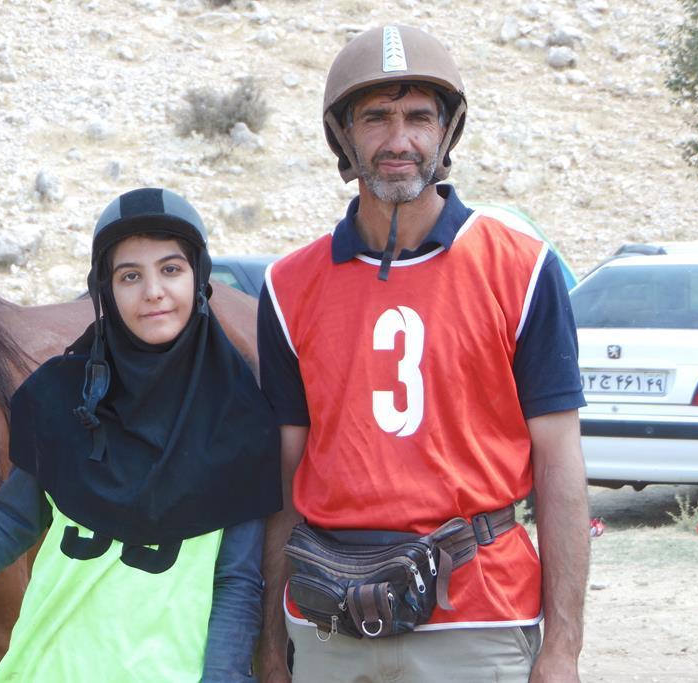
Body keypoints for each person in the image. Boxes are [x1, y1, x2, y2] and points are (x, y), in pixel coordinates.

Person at [256, 25, 590, 683]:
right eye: (375, 118)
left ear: (447, 131)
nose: (399, 140)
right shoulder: (288, 287)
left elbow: (560, 463)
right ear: (343, 135)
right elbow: (285, 480)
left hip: (481, 617)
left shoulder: (523, 270)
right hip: (329, 621)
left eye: (418, 117)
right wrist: (270, 642)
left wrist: (563, 648)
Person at [0, 187, 281, 682]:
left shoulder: (241, 419)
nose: (153, 291)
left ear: (198, 277)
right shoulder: (61, 397)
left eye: (171, 269)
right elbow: (7, 525)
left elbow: (236, 583)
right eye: (129, 275)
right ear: (105, 289)